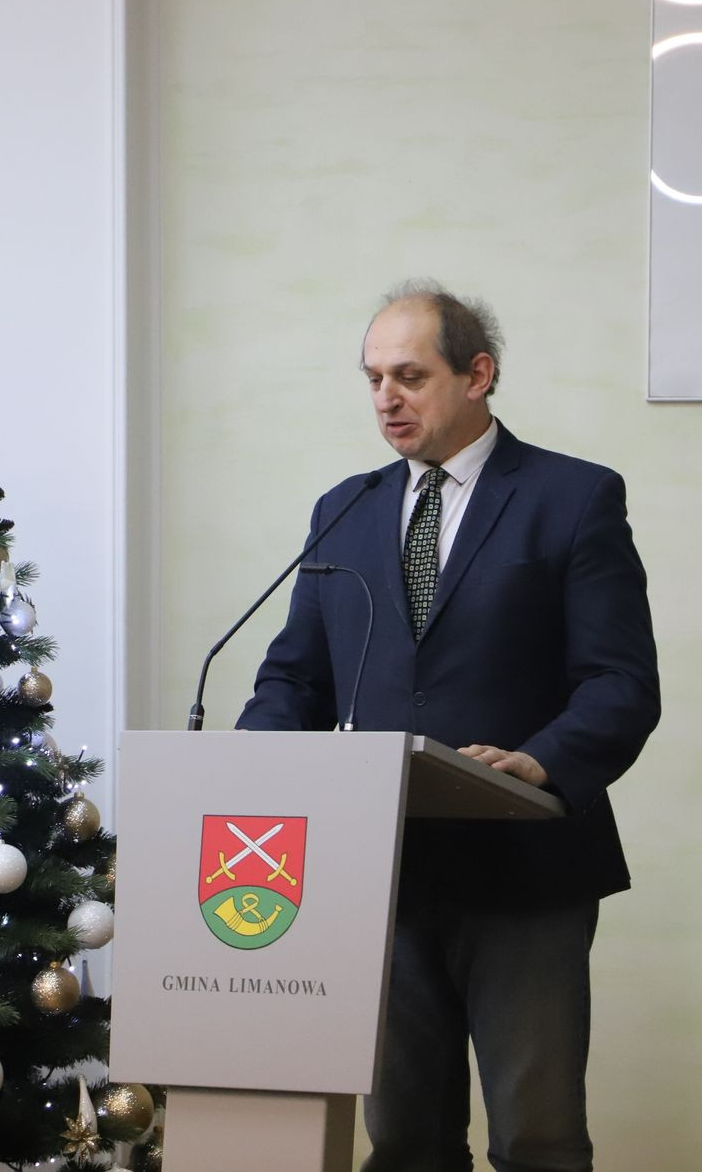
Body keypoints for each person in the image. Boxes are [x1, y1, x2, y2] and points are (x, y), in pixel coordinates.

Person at [236, 282, 660, 1172]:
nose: (386, 398)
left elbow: (619, 683)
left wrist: (539, 762)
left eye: (410, 376)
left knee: (537, 1140)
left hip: (526, 871)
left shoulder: (572, 496)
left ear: (477, 375)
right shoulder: (344, 509)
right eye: (373, 378)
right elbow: (295, 678)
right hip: (381, 876)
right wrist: (251, 768)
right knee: (403, 1143)